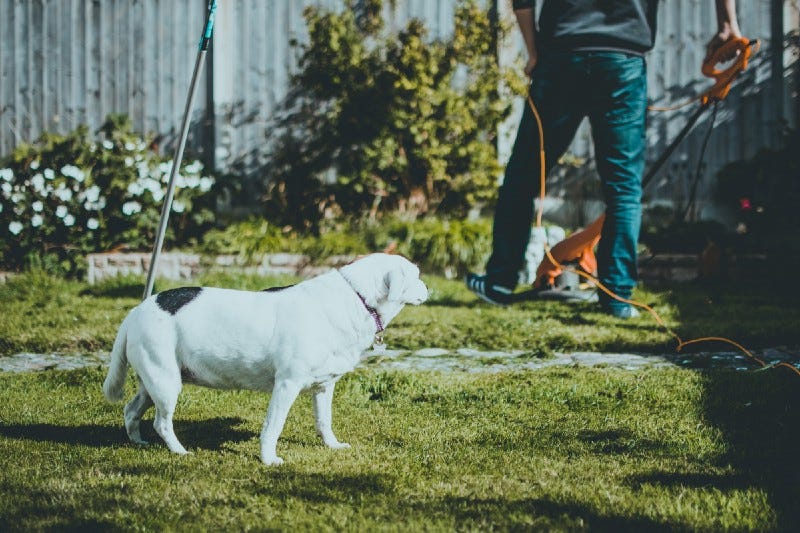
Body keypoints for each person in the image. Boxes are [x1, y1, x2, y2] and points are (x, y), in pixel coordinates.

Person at [466, 0, 742, 317]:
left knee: (524, 175)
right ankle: (617, 298)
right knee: (624, 187)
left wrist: (533, 51)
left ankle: (499, 283)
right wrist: (726, 24)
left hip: (562, 57)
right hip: (621, 60)